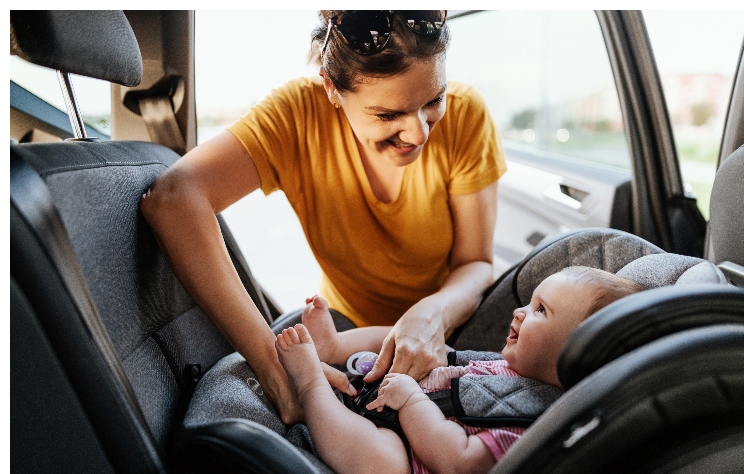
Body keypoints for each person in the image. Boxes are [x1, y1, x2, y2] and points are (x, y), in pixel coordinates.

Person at [140, 10, 506, 425]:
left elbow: (475, 263)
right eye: (388, 115)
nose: (419, 133)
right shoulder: (297, 116)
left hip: (453, 326)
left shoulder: (467, 114)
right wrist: (273, 368)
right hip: (346, 333)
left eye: (434, 101)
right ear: (332, 88)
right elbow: (173, 199)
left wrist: (431, 315)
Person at [275, 266, 645, 474]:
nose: (519, 312)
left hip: (409, 463)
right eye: (530, 302)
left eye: (540, 311)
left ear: (575, 354)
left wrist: (412, 402)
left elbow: (459, 461)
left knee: (384, 470)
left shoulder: (533, 425)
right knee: (424, 343)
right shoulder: (507, 367)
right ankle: (335, 347)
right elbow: (449, 365)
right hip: (394, 397)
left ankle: (309, 385)